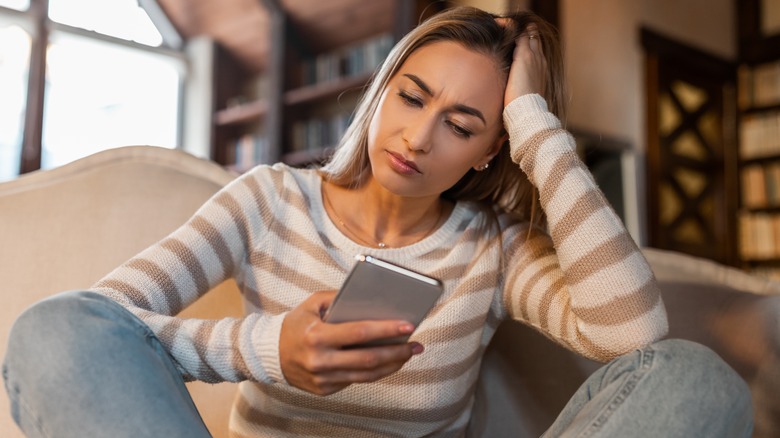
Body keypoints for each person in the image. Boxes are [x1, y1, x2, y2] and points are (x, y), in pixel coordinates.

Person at [3, 6, 752, 438]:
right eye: (412, 97)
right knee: (50, 328)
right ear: (383, 89)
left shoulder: (493, 249)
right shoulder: (270, 200)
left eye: (462, 125)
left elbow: (633, 335)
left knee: (698, 379)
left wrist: (535, 124)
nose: (418, 138)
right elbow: (97, 326)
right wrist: (268, 349)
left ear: (492, 150)